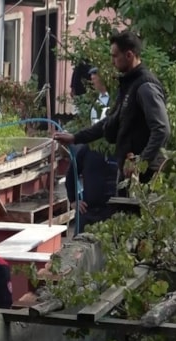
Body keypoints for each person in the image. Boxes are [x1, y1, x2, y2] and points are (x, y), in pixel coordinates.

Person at [54, 30, 171, 185]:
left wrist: (141, 162)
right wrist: (76, 137)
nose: (112, 61)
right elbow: (110, 122)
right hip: (128, 173)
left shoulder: (145, 87)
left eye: (115, 56)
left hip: (144, 178)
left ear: (129, 55)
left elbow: (162, 129)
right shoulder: (129, 84)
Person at [66, 66, 119, 234]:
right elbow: (72, 173)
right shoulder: (88, 151)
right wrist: (74, 200)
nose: (93, 81)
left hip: (112, 212)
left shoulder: (116, 102)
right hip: (88, 210)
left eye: (95, 77)